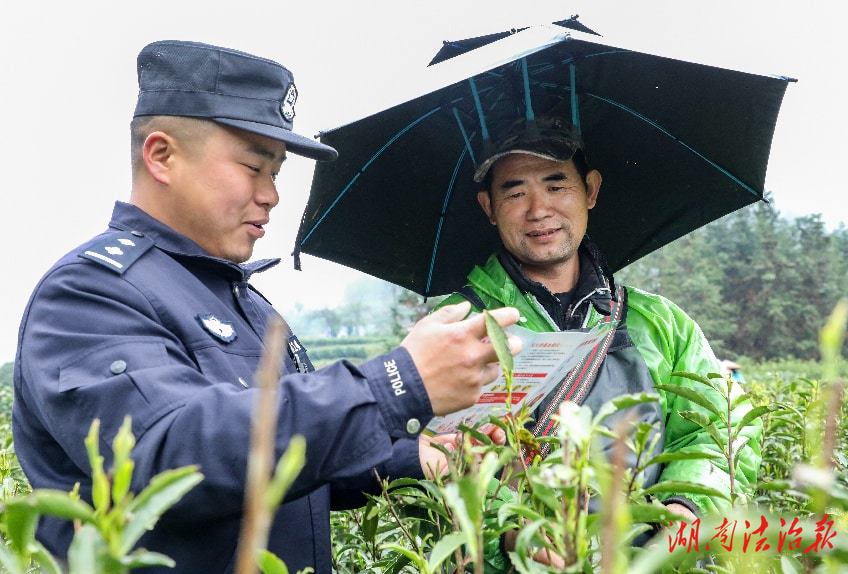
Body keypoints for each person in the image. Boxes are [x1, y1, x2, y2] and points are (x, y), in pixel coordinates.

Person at [11, 40, 523, 574]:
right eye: (254, 167)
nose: (272, 195)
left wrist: (416, 457)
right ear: (161, 155)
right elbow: (171, 457)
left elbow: (289, 461)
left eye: (275, 173)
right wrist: (396, 383)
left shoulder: (244, 302)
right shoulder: (89, 294)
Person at [435, 116, 763, 563]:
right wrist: (507, 533)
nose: (538, 209)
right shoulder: (457, 326)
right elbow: (429, 462)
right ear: (488, 206)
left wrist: (687, 504)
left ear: (590, 189)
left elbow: (723, 428)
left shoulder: (660, 323)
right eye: (515, 192)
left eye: (556, 185)